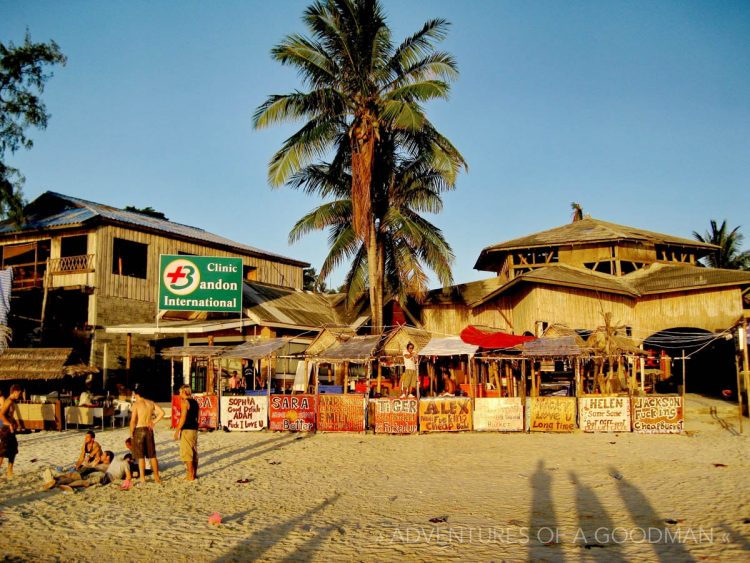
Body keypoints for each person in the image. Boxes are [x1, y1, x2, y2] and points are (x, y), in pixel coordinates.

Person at [130, 386, 165, 484]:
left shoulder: (136, 404)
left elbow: (133, 420)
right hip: (148, 430)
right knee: (152, 455)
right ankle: (157, 477)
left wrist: (131, 432)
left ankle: (142, 478)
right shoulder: (150, 403)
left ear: (137, 394)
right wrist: (153, 421)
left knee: (141, 456)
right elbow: (162, 413)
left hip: (139, 429)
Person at [173, 384, 199, 481]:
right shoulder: (195, 402)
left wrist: (177, 430)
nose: (179, 394)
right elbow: (198, 417)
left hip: (187, 429)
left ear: (184, 392)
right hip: (194, 429)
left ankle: (190, 475)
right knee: (194, 452)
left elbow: (183, 418)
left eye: (180, 392)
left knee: (187, 453)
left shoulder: (185, 402)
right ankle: (194, 474)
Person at [0, 384, 22, 479]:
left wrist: (15, 422)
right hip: (5, 430)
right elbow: (1, 415)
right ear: (15, 392)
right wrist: (9, 424)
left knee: (13, 449)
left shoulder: (13, 401)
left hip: (11, 429)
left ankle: (9, 471)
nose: (19, 395)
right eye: (19, 393)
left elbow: (10, 415)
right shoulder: (8, 401)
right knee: (2, 451)